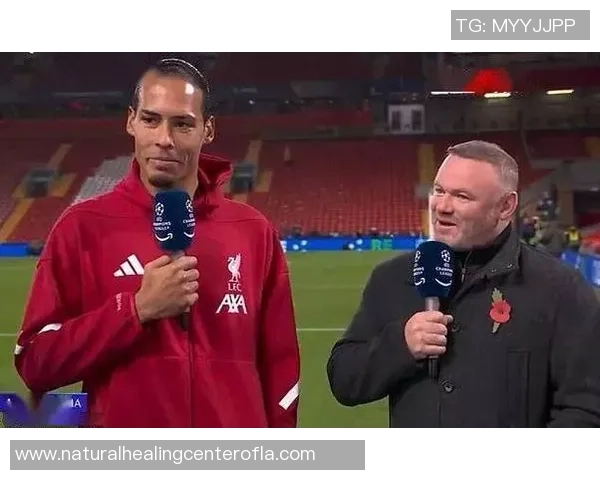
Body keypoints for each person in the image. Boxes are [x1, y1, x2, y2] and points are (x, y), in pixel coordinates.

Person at [14, 58, 300, 428]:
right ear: (131, 121)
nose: (164, 139)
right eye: (151, 120)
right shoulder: (81, 227)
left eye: (182, 124)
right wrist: (135, 310)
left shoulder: (252, 230)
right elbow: (36, 363)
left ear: (208, 130)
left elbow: (281, 369)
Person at [326, 140, 600, 427]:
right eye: (439, 191)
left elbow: (586, 410)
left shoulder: (559, 289)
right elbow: (344, 380)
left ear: (506, 206)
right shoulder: (393, 277)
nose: (442, 206)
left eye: (462, 196)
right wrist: (400, 345)